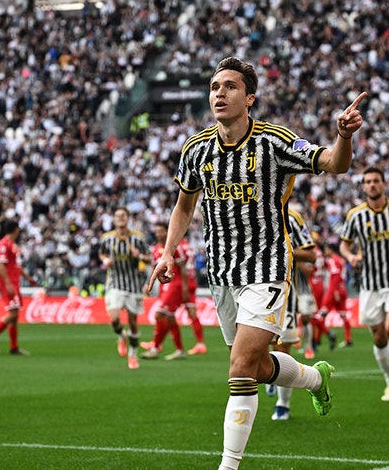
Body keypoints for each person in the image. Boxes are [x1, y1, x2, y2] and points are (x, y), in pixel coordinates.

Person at [146, 56, 366, 470]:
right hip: (222, 273)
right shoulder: (196, 149)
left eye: (229, 87)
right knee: (256, 366)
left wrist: (343, 137)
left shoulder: (275, 141)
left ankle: (228, 466)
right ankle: (315, 378)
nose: (219, 94)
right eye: (214, 87)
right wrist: (167, 251)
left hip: (267, 268)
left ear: (250, 98)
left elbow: (334, 163)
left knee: (241, 366)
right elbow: (184, 205)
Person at [340, 166, 389, 403]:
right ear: (363, 186)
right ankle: (388, 383)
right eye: (367, 181)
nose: (372, 185)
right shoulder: (356, 215)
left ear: (384, 184)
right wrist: (351, 257)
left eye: (376, 181)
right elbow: (344, 245)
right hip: (370, 284)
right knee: (378, 336)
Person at [265, 207, 319, 421]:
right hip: (252, 289)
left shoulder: (292, 216)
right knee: (258, 346)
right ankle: (271, 373)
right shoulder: (248, 205)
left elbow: (311, 254)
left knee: (282, 345)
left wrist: (281, 250)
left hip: (285, 292)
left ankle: (283, 403)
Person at [99, 207, 151, 370]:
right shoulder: (107, 239)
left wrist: (140, 256)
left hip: (133, 285)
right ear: (114, 220)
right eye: (117, 216)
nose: (120, 218)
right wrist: (105, 260)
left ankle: (133, 354)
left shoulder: (138, 238)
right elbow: (102, 254)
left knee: (133, 321)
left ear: (128, 218)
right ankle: (122, 335)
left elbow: (149, 258)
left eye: (123, 216)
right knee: (114, 318)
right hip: (115, 282)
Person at [0, 219, 38, 356]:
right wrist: (7, 283)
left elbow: (16, 266)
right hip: (8, 283)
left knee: (15, 316)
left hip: (15, 282)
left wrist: (28, 278)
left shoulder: (12, 244)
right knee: (13, 313)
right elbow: (1, 264)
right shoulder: (3, 244)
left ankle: (14, 347)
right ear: (15, 230)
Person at [142, 221, 192, 361]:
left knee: (159, 315)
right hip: (164, 287)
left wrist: (184, 287)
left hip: (174, 285)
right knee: (169, 317)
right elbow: (153, 269)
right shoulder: (156, 249)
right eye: (157, 231)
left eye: (161, 231)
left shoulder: (174, 248)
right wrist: (148, 283)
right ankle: (179, 350)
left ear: (167, 231)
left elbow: (182, 268)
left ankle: (155, 347)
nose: (158, 234)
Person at [319, 241, 353, 349]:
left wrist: (334, 291)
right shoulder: (340, 260)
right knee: (343, 315)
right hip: (342, 289)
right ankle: (348, 339)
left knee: (320, 315)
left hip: (334, 291)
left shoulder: (333, 260)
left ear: (330, 250)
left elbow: (335, 276)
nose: (325, 251)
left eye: (326, 249)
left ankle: (320, 338)